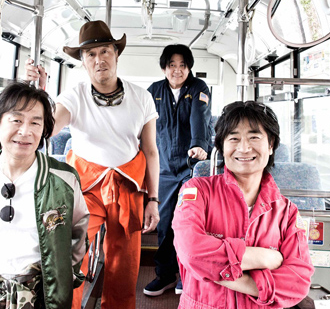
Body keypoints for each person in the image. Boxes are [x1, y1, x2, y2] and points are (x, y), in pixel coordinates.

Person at [25, 20, 160, 309]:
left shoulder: (142, 98)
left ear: (116, 54)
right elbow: (48, 128)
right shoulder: (73, 97)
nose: (99, 60)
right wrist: (38, 92)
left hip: (128, 185)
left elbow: (150, 151)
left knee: (125, 263)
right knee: (70, 253)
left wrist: (153, 199)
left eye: (105, 51)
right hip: (85, 186)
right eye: (91, 54)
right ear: (83, 62)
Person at [0, 82, 89, 309]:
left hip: (40, 296)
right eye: (17, 120)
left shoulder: (63, 180)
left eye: (35, 123)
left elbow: (78, 235)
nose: (25, 131)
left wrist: (62, 277)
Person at [172, 101, 314, 308]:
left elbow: (298, 282)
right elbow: (191, 252)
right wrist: (265, 257)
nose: (244, 148)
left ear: (271, 145)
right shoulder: (197, 191)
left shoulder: (287, 212)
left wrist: (218, 272)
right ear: (222, 147)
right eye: (234, 138)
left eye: (254, 137)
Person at [144, 44, 212, 296]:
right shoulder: (154, 91)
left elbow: (199, 117)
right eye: (172, 65)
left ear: (189, 68)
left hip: (190, 168)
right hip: (163, 168)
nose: (177, 70)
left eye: (182, 65)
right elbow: (143, 125)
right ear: (164, 68)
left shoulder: (198, 88)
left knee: (188, 222)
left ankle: (187, 274)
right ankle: (165, 275)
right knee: (164, 224)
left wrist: (199, 144)